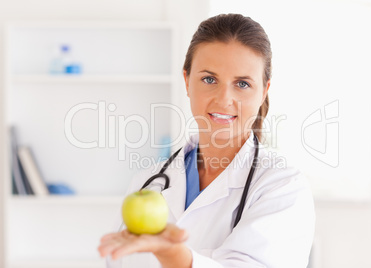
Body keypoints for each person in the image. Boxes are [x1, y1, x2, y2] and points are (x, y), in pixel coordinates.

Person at [98, 13, 315, 268]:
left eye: (243, 84)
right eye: (209, 79)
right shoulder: (147, 183)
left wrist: (173, 255)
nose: (224, 99)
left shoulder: (282, 187)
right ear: (187, 81)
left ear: (263, 91)